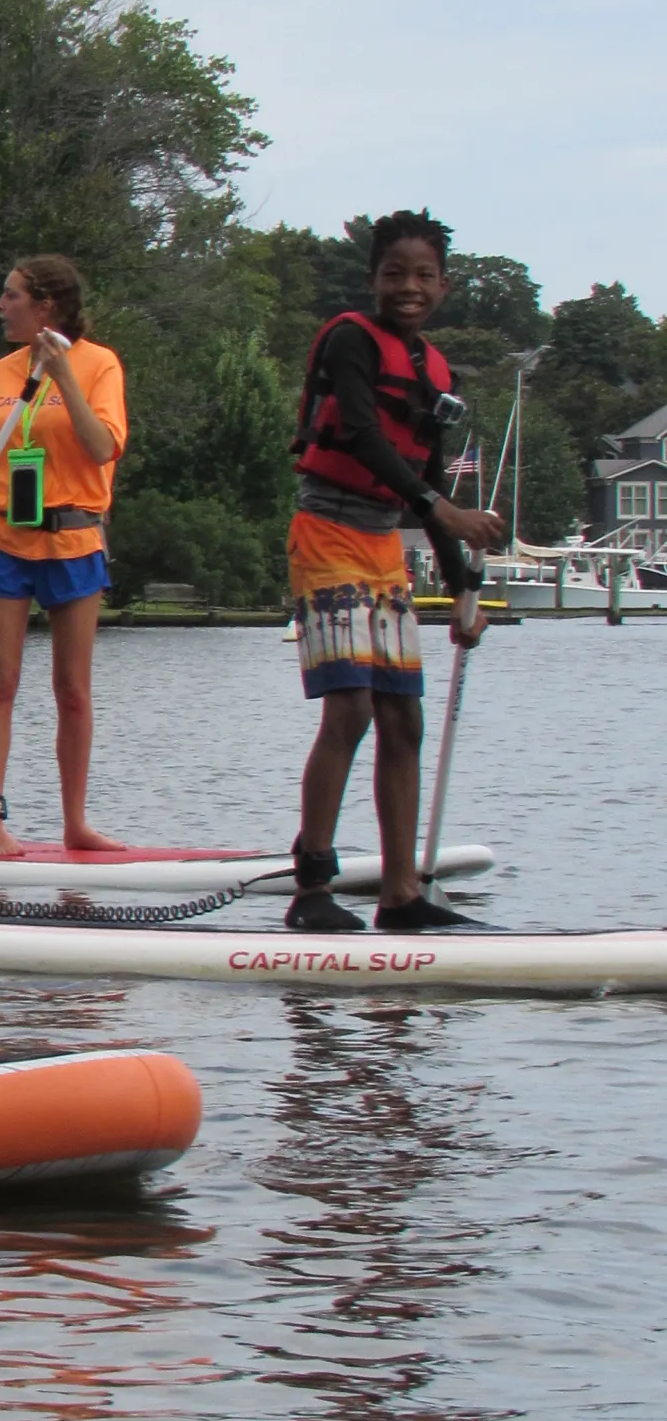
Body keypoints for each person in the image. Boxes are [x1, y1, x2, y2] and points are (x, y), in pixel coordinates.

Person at [284, 210, 506, 932]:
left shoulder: (433, 367)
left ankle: (401, 894)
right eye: (393, 275)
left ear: (444, 284)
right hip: (325, 531)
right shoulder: (351, 340)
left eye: (423, 277)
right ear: (373, 279)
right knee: (347, 708)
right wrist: (442, 510)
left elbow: (426, 470)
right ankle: (312, 887)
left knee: (401, 718)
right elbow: (360, 432)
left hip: (382, 546)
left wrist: (464, 588)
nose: (408, 288)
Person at [0, 254, 128, 859]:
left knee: (73, 688)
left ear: (45, 306)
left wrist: (62, 373)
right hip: (4, 539)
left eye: (11, 295)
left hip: (74, 539)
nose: (0, 304)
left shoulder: (100, 365)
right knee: (1, 682)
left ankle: (76, 823)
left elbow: (101, 449)